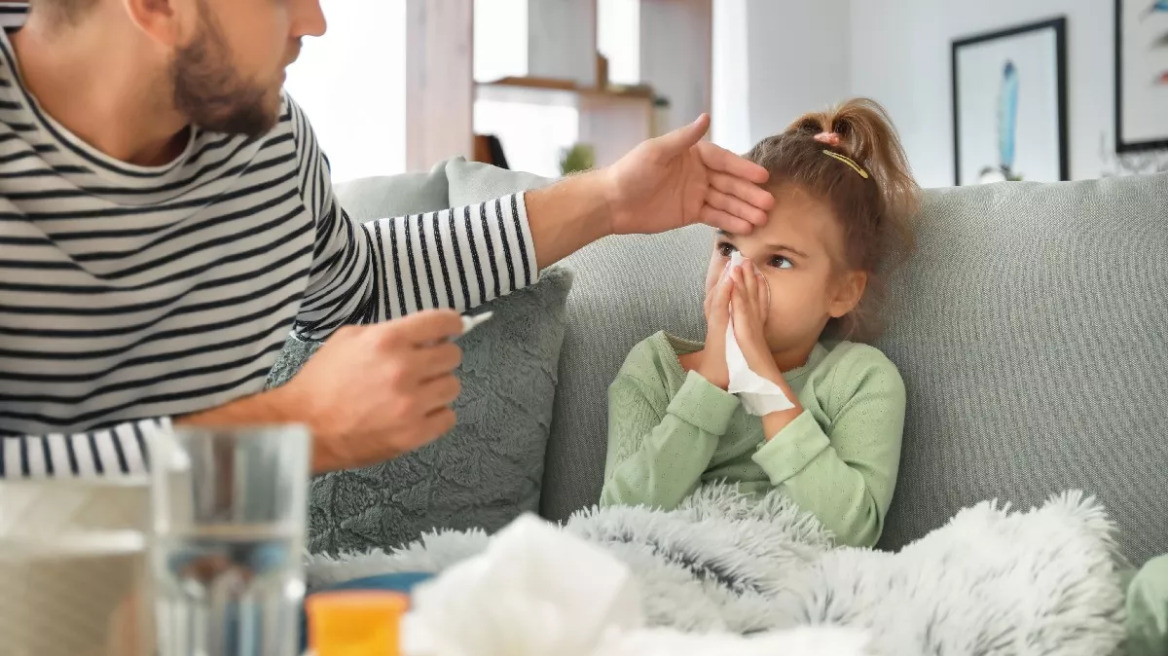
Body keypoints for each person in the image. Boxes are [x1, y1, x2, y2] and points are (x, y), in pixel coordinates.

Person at [0, 0, 775, 478]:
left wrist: (607, 200)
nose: (315, 21)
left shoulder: (265, 147)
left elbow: (360, 285)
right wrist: (292, 432)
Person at [600, 98, 919, 548]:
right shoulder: (655, 368)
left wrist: (766, 387)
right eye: (728, 249)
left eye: (779, 260)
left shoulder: (860, 380)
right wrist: (711, 379)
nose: (738, 276)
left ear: (843, 291)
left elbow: (853, 533)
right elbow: (614, 521)